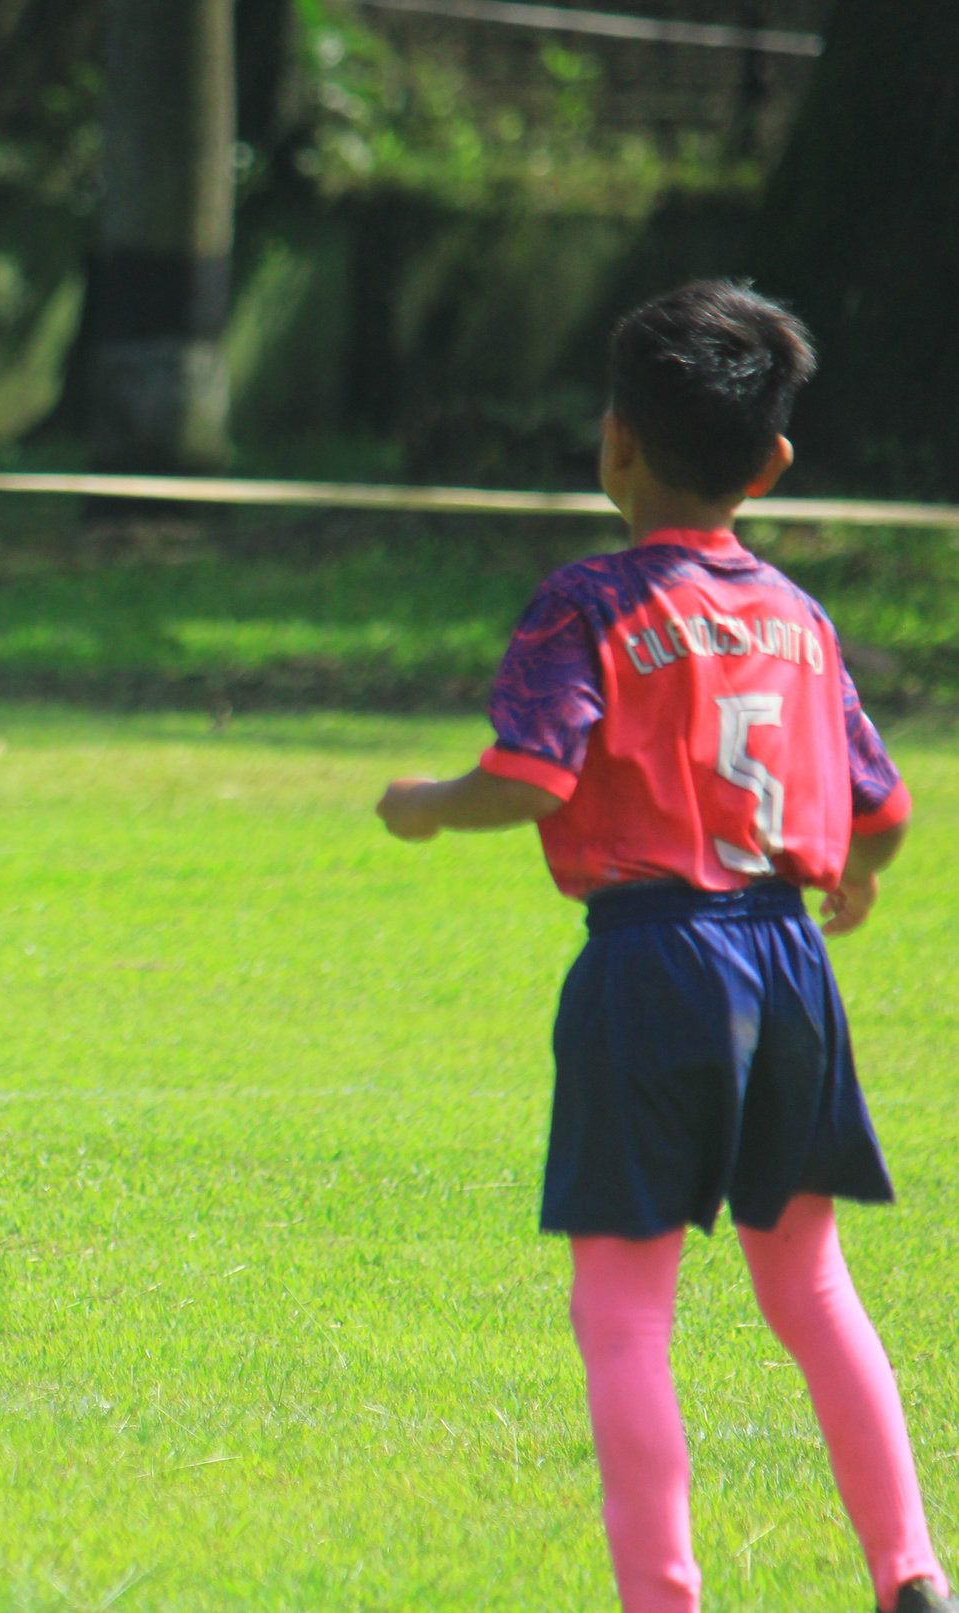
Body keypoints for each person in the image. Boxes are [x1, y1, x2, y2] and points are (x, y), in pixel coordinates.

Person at [376, 281, 950, 1613]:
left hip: (650, 959)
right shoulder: (798, 618)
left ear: (615, 440)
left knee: (625, 1308)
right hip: (787, 961)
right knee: (809, 1281)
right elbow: (883, 808)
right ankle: (910, 1569)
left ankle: (662, 1595)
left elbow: (529, 776)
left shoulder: (586, 601)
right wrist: (855, 879)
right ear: (771, 462)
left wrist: (427, 804)